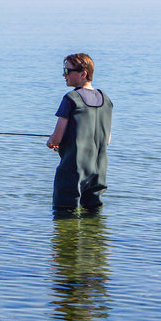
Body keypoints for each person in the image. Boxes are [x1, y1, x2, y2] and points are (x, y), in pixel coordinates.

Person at [46, 53, 112, 210]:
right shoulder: (106, 99)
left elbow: (56, 139)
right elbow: (107, 139)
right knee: (94, 215)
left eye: (67, 71)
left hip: (73, 169)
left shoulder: (71, 98)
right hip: (99, 170)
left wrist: (51, 142)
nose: (64, 74)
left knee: (65, 213)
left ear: (83, 74)